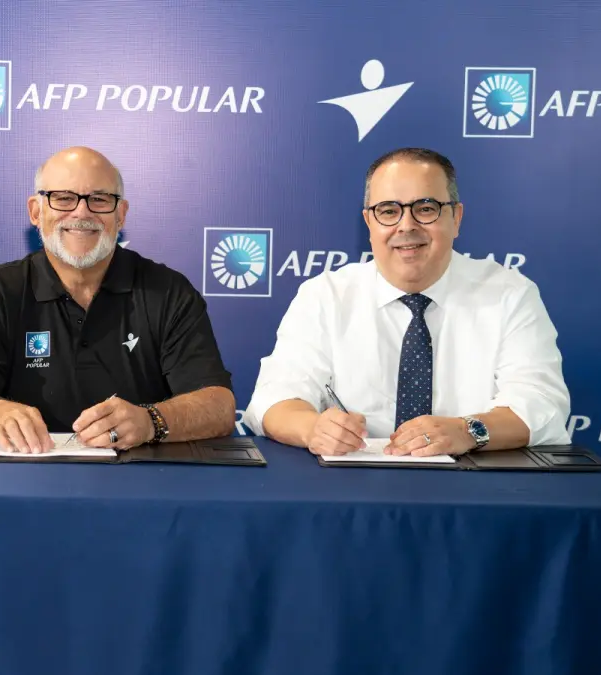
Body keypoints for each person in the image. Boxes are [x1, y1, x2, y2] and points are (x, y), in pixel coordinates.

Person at [243, 147, 571, 457]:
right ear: (369, 223)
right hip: (351, 485)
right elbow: (273, 400)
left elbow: (541, 405)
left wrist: (467, 431)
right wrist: (313, 429)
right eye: (388, 211)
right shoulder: (325, 296)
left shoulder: (510, 294)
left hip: (475, 484)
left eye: (425, 209)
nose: (406, 225)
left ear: (456, 218)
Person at [0, 147, 236, 454]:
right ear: (35, 212)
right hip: (26, 470)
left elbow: (219, 406)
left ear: (121, 214)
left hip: (142, 476)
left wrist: (150, 421)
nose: (81, 213)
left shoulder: (168, 291)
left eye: (99, 199)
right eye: (63, 198)